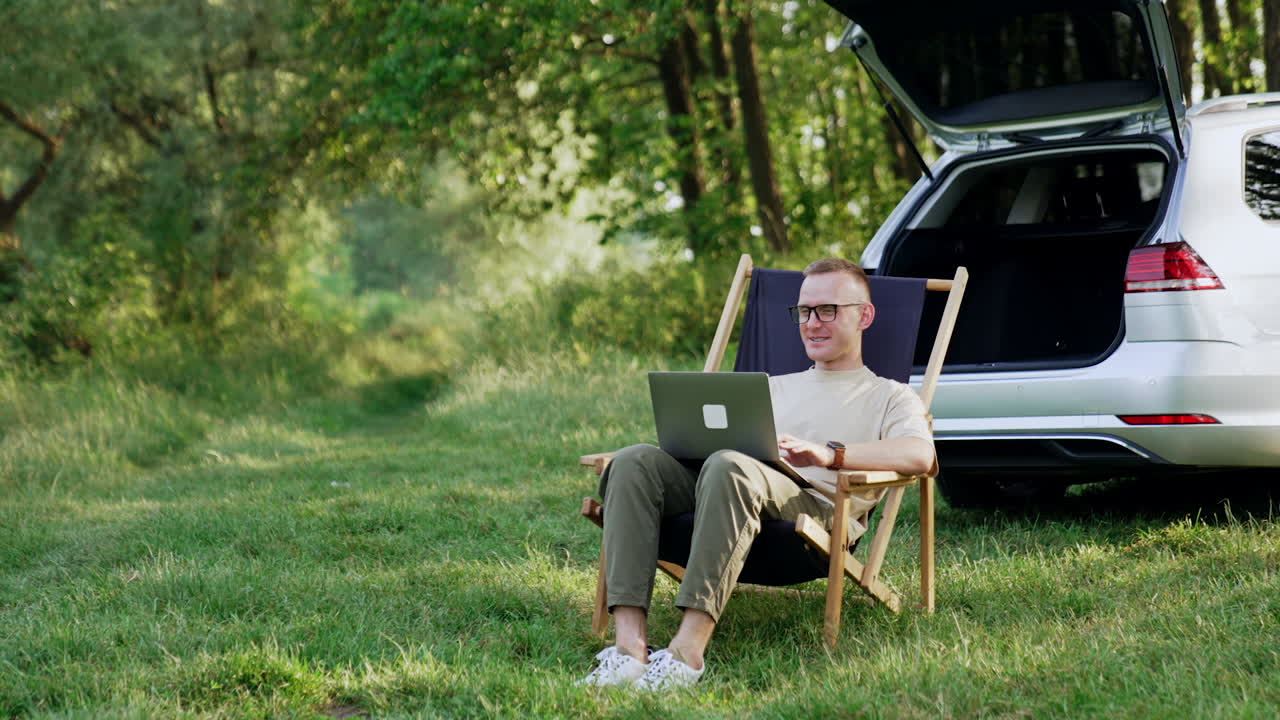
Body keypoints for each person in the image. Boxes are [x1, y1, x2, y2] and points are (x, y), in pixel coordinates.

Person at [578, 258, 935, 691]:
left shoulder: (888, 395)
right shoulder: (769, 386)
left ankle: (685, 654)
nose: (811, 323)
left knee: (732, 465)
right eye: (804, 311)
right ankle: (628, 649)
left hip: (812, 511)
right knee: (633, 460)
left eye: (828, 310)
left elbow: (920, 455)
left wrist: (829, 455)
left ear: (865, 315)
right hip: (726, 488)